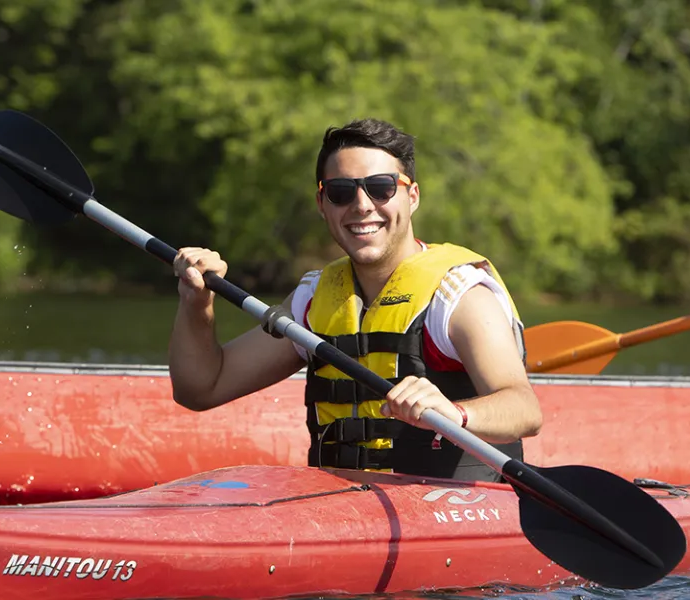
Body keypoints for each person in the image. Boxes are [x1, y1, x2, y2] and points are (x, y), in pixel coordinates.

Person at [167, 118, 542, 482]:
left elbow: (524, 410)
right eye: (341, 191)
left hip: (449, 510)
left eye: (381, 188)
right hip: (340, 510)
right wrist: (196, 302)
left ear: (412, 197)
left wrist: (455, 413)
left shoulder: (458, 296)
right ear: (321, 203)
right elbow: (201, 388)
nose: (362, 205)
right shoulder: (313, 299)